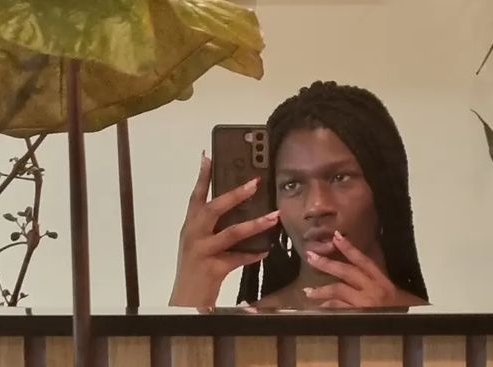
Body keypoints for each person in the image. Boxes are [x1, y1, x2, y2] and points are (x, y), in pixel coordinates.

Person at [168, 81, 428, 309]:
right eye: (292, 185)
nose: (316, 206)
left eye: (340, 178)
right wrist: (186, 302)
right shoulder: (249, 328)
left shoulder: (441, 332)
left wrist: (391, 330)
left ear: (384, 188)